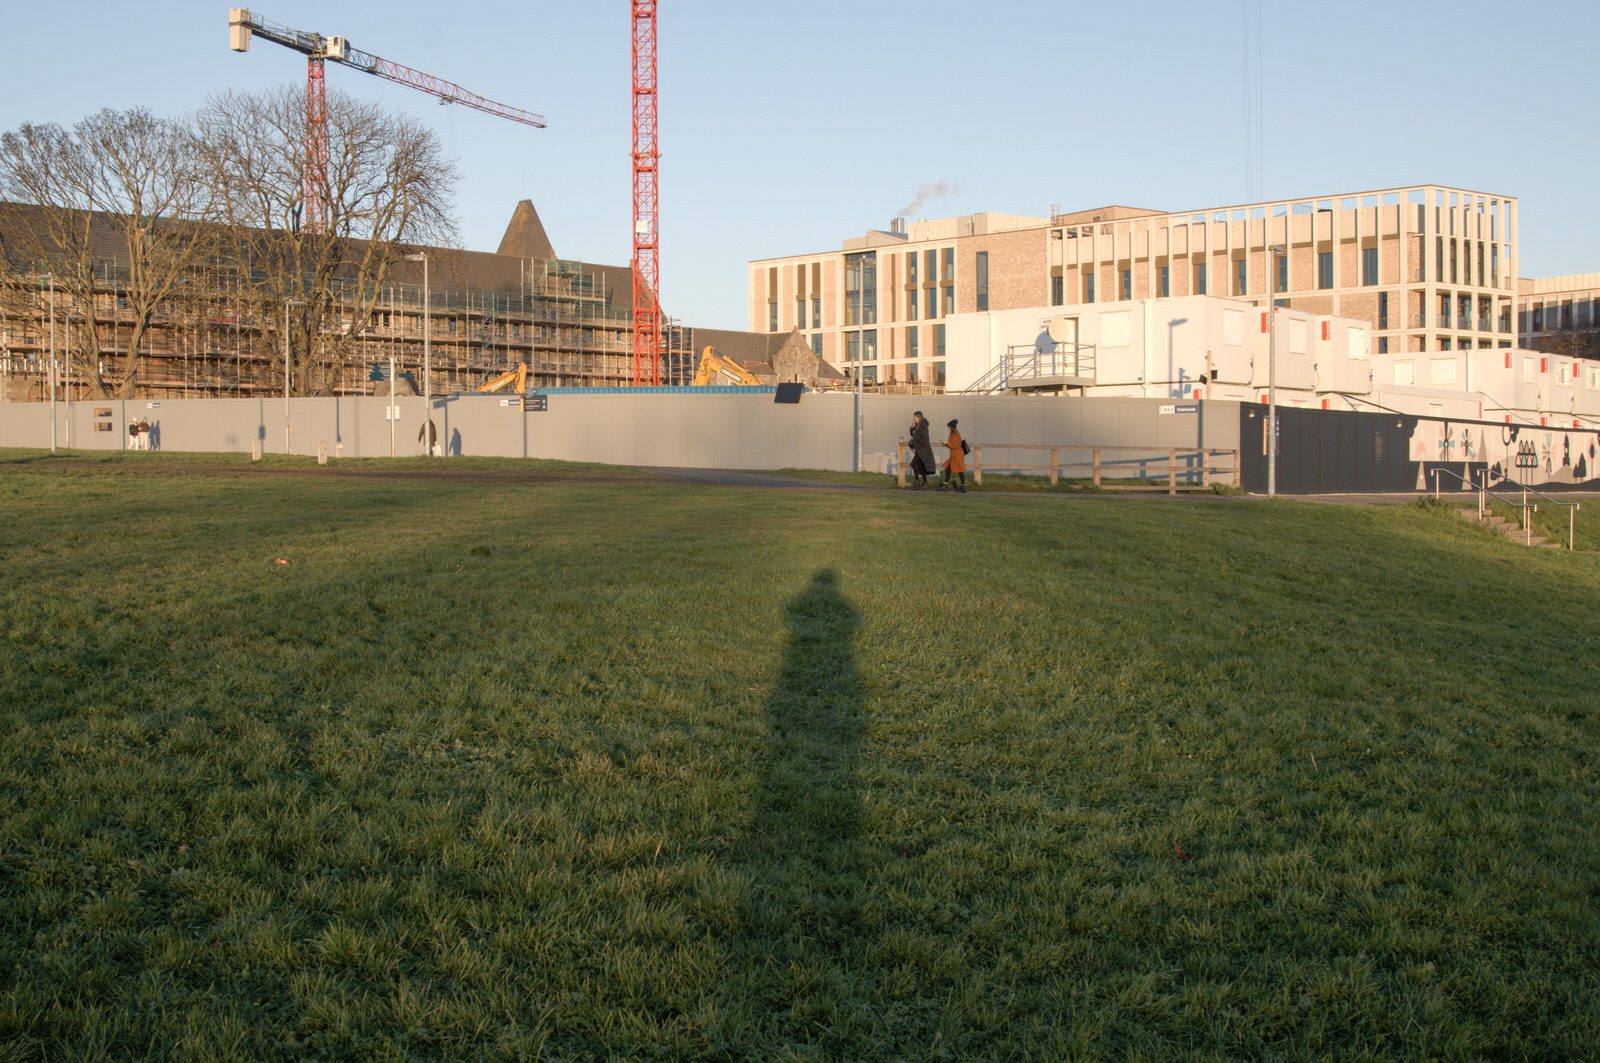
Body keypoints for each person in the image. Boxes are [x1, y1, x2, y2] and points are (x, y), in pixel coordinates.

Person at [908, 410, 935, 489]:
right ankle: (924, 483)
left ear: (919, 417)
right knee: (921, 466)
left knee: (913, 464)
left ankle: (918, 482)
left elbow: (924, 438)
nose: (914, 419)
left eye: (915, 417)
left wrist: (915, 443)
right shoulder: (918, 425)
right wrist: (912, 428)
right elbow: (914, 435)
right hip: (920, 450)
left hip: (923, 450)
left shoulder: (923, 425)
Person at [939, 418, 968, 493]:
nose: (947, 428)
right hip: (955, 455)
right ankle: (962, 486)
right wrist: (946, 444)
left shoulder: (955, 435)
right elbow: (952, 445)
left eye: (948, 427)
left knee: (959, 470)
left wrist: (946, 444)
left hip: (957, 455)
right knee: (952, 469)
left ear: (951, 427)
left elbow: (954, 445)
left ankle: (947, 486)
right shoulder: (954, 434)